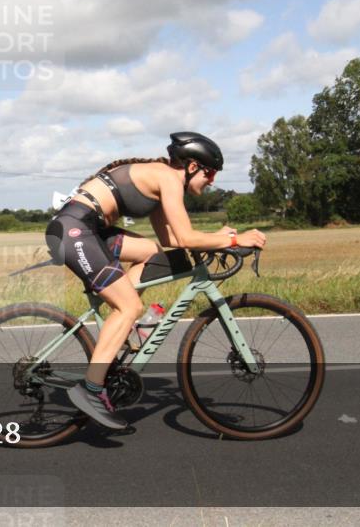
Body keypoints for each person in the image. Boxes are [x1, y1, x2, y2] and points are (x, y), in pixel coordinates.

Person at [44, 131, 267, 429]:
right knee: (128, 307)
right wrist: (235, 238)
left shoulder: (164, 181)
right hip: (75, 230)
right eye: (210, 173)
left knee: (152, 252)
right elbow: (187, 237)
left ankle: (125, 323)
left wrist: (219, 238)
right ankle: (91, 389)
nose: (212, 180)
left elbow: (171, 239)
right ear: (191, 166)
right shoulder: (169, 179)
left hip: (90, 229)